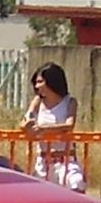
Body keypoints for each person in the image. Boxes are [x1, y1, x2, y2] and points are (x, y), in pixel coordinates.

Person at [21, 62, 85, 191]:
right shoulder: (37, 102)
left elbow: (69, 125)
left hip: (65, 160)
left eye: (40, 82)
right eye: (36, 82)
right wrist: (26, 125)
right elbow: (25, 120)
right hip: (44, 161)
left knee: (76, 184)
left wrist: (43, 129)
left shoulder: (70, 102)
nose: (37, 86)